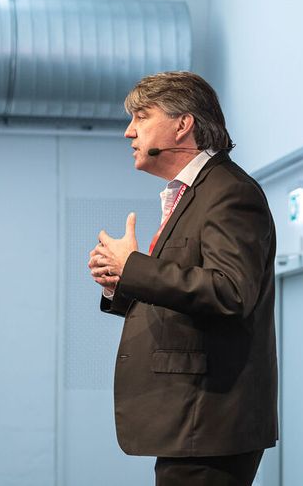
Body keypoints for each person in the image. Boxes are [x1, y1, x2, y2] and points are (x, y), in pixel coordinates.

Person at [88, 71, 278, 486]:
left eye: (141, 116)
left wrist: (134, 267)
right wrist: (120, 285)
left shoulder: (229, 192)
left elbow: (229, 292)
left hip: (211, 422)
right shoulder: (194, 193)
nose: (128, 132)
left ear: (182, 123)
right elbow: (186, 298)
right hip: (194, 424)